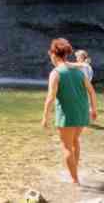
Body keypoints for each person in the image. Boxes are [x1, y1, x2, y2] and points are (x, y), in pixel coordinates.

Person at [42, 38, 97, 185]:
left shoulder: (55, 73)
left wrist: (45, 117)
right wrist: (94, 110)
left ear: (53, 54)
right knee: (75, 141)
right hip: (82, 113)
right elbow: (91, 91)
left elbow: (50, 98)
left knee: (67, 146)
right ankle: (75, 171)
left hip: (67, 115)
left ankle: (74, 180)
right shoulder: (79, 72)